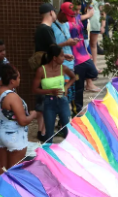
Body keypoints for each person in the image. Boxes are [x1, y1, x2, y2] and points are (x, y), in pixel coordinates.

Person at [34, 3, 74, 141]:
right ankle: (45, 134)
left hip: (45, 75)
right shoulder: (47, 29)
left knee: (44, 108)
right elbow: (53, 49)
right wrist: (64, 54)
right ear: (51, 13)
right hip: (49, 80)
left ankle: (43, 132)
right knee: (51, 108)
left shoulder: (40, 29)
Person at [0, 64, 36, 175]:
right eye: (18, 78)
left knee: (2, 166)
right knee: (15, 169)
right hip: (13, 134)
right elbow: (22, 121)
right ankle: (12, 191)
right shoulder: (12, 96)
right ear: (12, 81)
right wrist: (33, 115)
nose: (19, 80)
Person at [61, 1, 100, 115]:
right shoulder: (65, 23)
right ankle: (76, 111)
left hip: (82, 54)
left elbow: (81, 35)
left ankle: (76, 108)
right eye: (76, 10)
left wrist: (87, 50)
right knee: (78, 87)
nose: (78, 12)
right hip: (74, 58)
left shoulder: (77, 17)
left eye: (79, 9)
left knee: (93, 73)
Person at [32, 45, 77, 143]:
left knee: (67, 128)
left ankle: (70, 151)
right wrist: (50, 91)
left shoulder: (63, 68)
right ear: (54, 58)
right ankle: (48, 154)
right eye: (61, 56)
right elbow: (35, 89)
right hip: (48, 102)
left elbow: (74, 77)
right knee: (49, 132)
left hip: (62, 100)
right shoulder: (41, 70)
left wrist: (66, 87)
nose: (63, 58)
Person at [52, 6, 76, 109]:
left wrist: (72, 41)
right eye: (67, 16)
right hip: (60, 64)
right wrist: (66, 43)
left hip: (69, 62)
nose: (68, 20)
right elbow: (51, 47)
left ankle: (66, 116)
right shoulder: (51, 27)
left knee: (70, 92)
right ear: (61, 12)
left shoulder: (66, 24)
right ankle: (62, 119)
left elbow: (67, 38)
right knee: (63, 93)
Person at [88, 0, 105, 73]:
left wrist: (103, 25)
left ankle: (94, 66)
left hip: (95, 24)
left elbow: (103, 12)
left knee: (93, 44)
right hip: (84, 23)